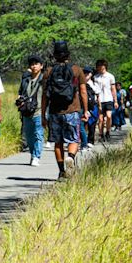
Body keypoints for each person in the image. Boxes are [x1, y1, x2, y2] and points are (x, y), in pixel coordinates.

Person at [41, 41, 88, 180]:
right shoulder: (76, 70)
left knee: (58, 142)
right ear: (68, 54)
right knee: (74, 139)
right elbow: (83, 91)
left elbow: (44, 95)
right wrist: (85, 110)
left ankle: (61, 172)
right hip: (72, 110)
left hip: (55, 112)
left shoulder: (49, 71)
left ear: (54, 56)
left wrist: (43, 114)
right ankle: (71, 157)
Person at [16, 56, 44, 166]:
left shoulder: (44, 79)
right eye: (32, 64)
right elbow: (20, 93)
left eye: (36, 64)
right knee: (29, 135)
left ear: (41, 66)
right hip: (26, 111)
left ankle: (36, 156)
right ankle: (33, 154)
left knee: (38, 133)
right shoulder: (25, 80)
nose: (34, 66)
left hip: (39, 111)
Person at [93, 59, 118, 142]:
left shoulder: (110, 76)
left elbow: (113, 89)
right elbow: (95, 89)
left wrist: (115, 101)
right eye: (99, 67)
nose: (101, 69)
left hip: (108, 98)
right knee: (100, 119)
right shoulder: (95, 77)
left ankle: (108, 131)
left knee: (109, 116)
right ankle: (101, 134)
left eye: (102, 67)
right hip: (99, 99)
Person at [83, 66, 101, 147]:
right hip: (82, 106)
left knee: (92, 124)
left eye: (88, 72)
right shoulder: (80, 83)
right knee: (82, 124)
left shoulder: (94, 84)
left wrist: (99, 106)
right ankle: (82, 141)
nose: (86, 74)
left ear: (91, 74)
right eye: (84, 72)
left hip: (93, 106)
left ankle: (90, 141)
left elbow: (98, 96)